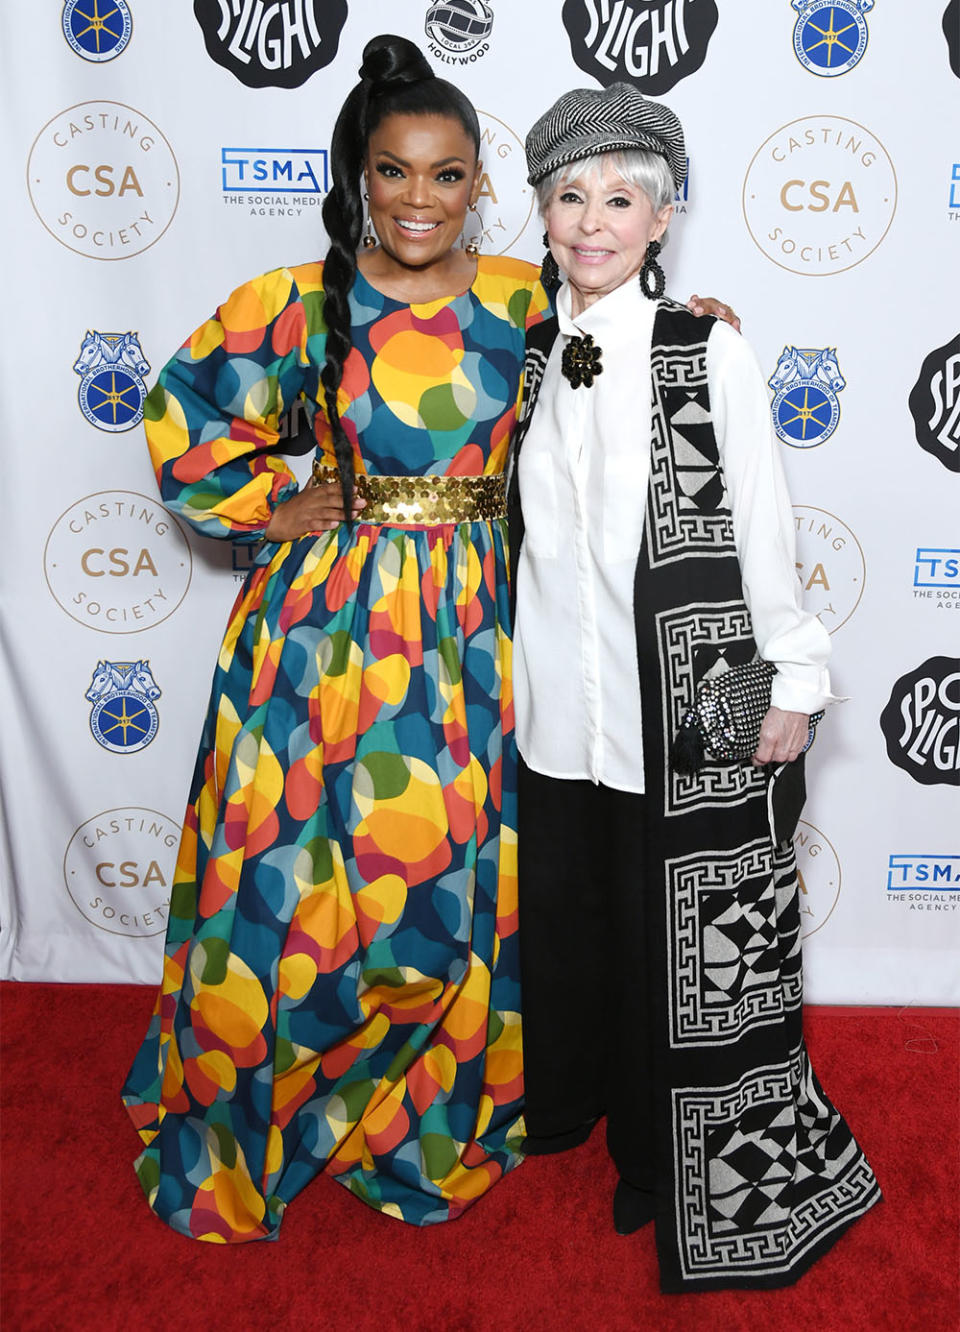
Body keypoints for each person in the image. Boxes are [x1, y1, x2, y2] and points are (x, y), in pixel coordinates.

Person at [122, 33, 552, 1241]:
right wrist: (273, 504)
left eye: (449, 173)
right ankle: (266, 1104)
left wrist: (700, 328)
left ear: (481, 181)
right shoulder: (301, 298)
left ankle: (426, 1118)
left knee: (448, 883)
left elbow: (626, 372)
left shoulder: (529, 298)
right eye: (395, 170)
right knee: (299, 873)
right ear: (360, 174)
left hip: (474, 631)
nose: (421, 198)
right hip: (320, 632)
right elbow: (187, 412)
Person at [507, 83, 881, 1292]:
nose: (594, 222)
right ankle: (589, 1116)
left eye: (622, 199)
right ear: (543, 212)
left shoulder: (703, 345)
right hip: (561, 716)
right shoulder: (525, 349)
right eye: (570, 196)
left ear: (663, 219)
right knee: (586, 926)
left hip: (686, 705)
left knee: (688, 948)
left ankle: (671, 1166)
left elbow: (761, 521)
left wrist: (798, 670)